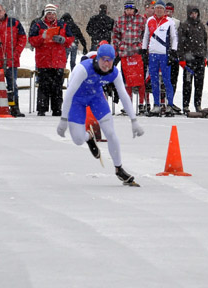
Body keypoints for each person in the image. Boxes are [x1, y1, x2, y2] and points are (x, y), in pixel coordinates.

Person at [57, 43, 144, 186]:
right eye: (103, 59)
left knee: (110, 132)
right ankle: (88, 137)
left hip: (96, 97)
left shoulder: (114, 72)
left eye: (110, 60)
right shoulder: (84, 69)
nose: (106, 63)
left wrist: (134, 120)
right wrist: (63, 119)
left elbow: (123, 95)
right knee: (78, 140)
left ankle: (119, 168)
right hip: (77, 100)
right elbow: (69, 93)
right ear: (97, 58)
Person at [29, 4, 74, 116]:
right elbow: (31, 40)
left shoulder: (62, 24)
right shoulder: (38, 25)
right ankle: (42, 109)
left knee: (57, 86)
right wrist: (42, 37)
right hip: (43, 60)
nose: (51, 15)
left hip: (58, 61)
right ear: (45, 14)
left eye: (53, 13)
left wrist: (64, 40)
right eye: (49, 13)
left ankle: (57, 108)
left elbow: (71, 39)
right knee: (43, 85)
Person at [142, 1, 178, 116]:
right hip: (153, 54)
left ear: (164, 10)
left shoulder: (169, 22)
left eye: (160, 9)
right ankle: (156, 105)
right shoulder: (150, 20)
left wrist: (173, 51)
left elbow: (174, 37)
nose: (158, 10)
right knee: (154, 80)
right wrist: (143, 50)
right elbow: (146, 36)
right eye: (156, 8)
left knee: (167, 80)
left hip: (164, 54)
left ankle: (170, 105)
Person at [113, 1, 148, 114]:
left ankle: (141, 104)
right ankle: (128, 104)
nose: (128, 11)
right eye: (126, 9)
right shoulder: (119, 20)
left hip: (136, 53)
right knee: (127, 80)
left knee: (139, 79)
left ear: (134, 9)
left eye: (130, 9)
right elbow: (115, 35)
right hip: (124, 53)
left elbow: (145, 34)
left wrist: (142, 46)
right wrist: (118, 46)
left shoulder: (141, 20)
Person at [177, 5, 207, 113]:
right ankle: (185, 105)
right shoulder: (184, 26)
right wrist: (181, 58)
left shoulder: (201, 26)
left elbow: (205, 42)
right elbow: (180, 44)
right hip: (189, 60)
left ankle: (198, 104)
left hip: (200, 59)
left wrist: (205, 56)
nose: (194, 15)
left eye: (195, 13)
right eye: (192, 13)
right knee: (187, 83)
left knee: (199, 83)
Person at [164, 2, 181, 113]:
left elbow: (179, 38)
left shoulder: (177, 22)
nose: (168, 13)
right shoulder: (161, 21)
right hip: (163, 53)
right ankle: (163, 102)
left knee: (173, 79)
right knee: (164, 79)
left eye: (170, 11)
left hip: (174, 54)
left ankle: (170, 101)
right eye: (167, 11)